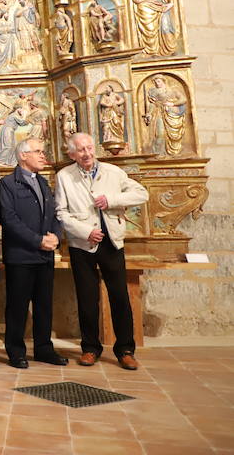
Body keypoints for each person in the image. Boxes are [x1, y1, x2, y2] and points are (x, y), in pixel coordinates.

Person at [55, 132, 149, 370]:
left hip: (111, 242)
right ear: (72, 154)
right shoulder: (64, 176)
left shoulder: (113, 172)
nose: (86, 153)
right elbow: (61, 213)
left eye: (89, 148)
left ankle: (125, 350)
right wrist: (85, 231)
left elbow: (141, 194)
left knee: (119, 297)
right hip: (82, 244)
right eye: (80, 150)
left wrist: (112, 199)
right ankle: (89, 349)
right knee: (87, 298)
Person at [0, 138, 68, 369]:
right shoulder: (8, 184)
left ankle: (43, 349)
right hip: (21, 256)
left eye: (43, 151)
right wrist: (38, 240)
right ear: (23, 156)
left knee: (44, 305)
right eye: (38, 151)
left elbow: (54, 214)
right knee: (18, 306)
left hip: (45, 255)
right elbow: (9, 219)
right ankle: (16, 351)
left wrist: (56, 237)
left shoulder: (43, 183)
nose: (43, 155)